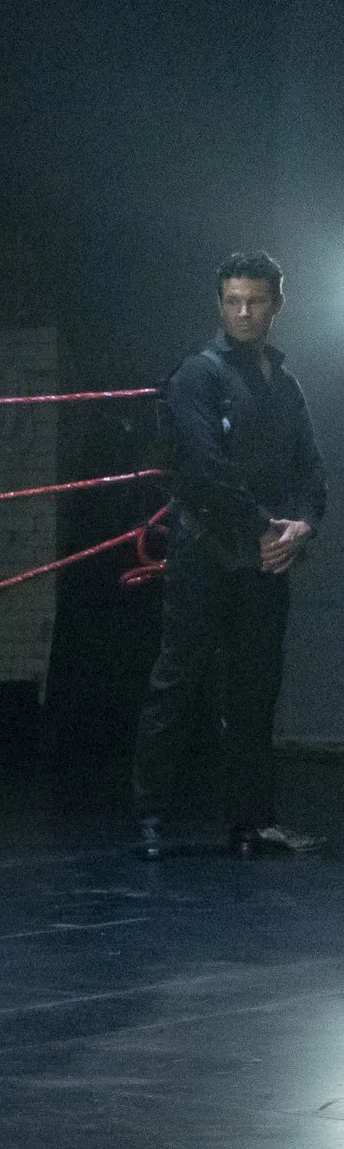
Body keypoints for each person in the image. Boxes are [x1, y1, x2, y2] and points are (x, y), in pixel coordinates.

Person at [134, 250, 329, 860]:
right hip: (207, 548)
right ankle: (151, 817)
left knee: (255, 689)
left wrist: (302, 526)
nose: (243, 311)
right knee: (179, 678)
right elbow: (204, 469)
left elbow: (310, 467)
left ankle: (253, 821)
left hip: (265, 556)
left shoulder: (285, 380)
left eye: (255, 300)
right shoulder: (197, 373)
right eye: (232, 301)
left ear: (277, 303)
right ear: (220, 303)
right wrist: (268, 529)